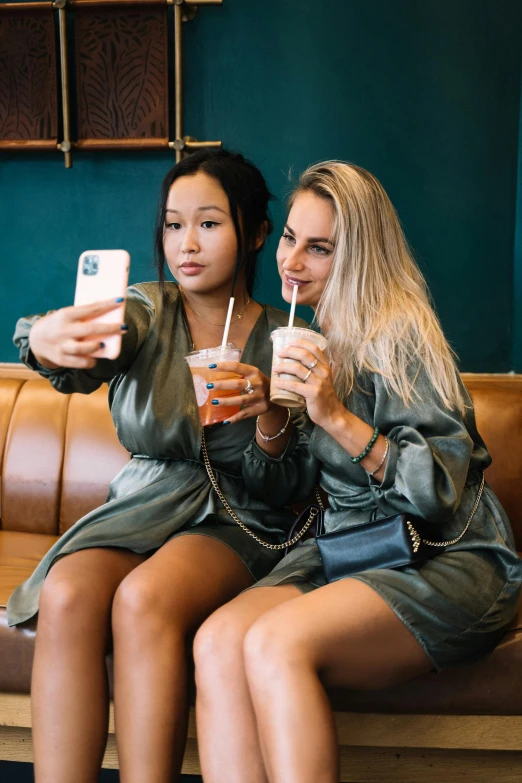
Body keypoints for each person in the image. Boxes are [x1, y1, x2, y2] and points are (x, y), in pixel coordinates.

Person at [194, 160, 522, 783]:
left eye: (319, 248)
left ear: (359, 255)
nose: (292, 261)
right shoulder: (317, 334)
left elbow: (440, 491)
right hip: (352, 549)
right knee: (215, 641)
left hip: (442, 557)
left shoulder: (399, 331)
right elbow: (285, 486)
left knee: (273, 642)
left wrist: (335, 415)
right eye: (290, 237)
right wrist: (268, 418)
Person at [7, 149, 308, 783]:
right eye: (173, 225)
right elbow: (98, 343)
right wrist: (46, 338)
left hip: (238, 517)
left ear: (254, 233)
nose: (186, 243)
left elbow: (283, 485)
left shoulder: (285, 338)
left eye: (208, 223)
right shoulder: (149, 307)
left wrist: (269, 416)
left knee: (145, 598)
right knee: (66, 592)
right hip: (144, 504)